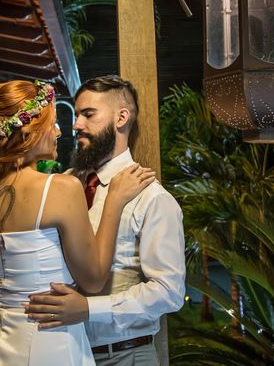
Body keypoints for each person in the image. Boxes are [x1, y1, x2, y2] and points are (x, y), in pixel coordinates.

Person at [0, 79, 156, 366]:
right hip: (49, 342)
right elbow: (93, 279)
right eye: (52, 123)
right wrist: (114, 200)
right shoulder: (60, 187)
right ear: (31, 132)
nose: (58, 132)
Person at [26, 75, 186, 366]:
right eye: (76, 116)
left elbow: (169, 292)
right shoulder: (65, 184)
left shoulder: (152, 199)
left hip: (125, 355)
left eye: (88, 114)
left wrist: (89, 309)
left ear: (121, 117)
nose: (76, 125)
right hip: (65, 352)